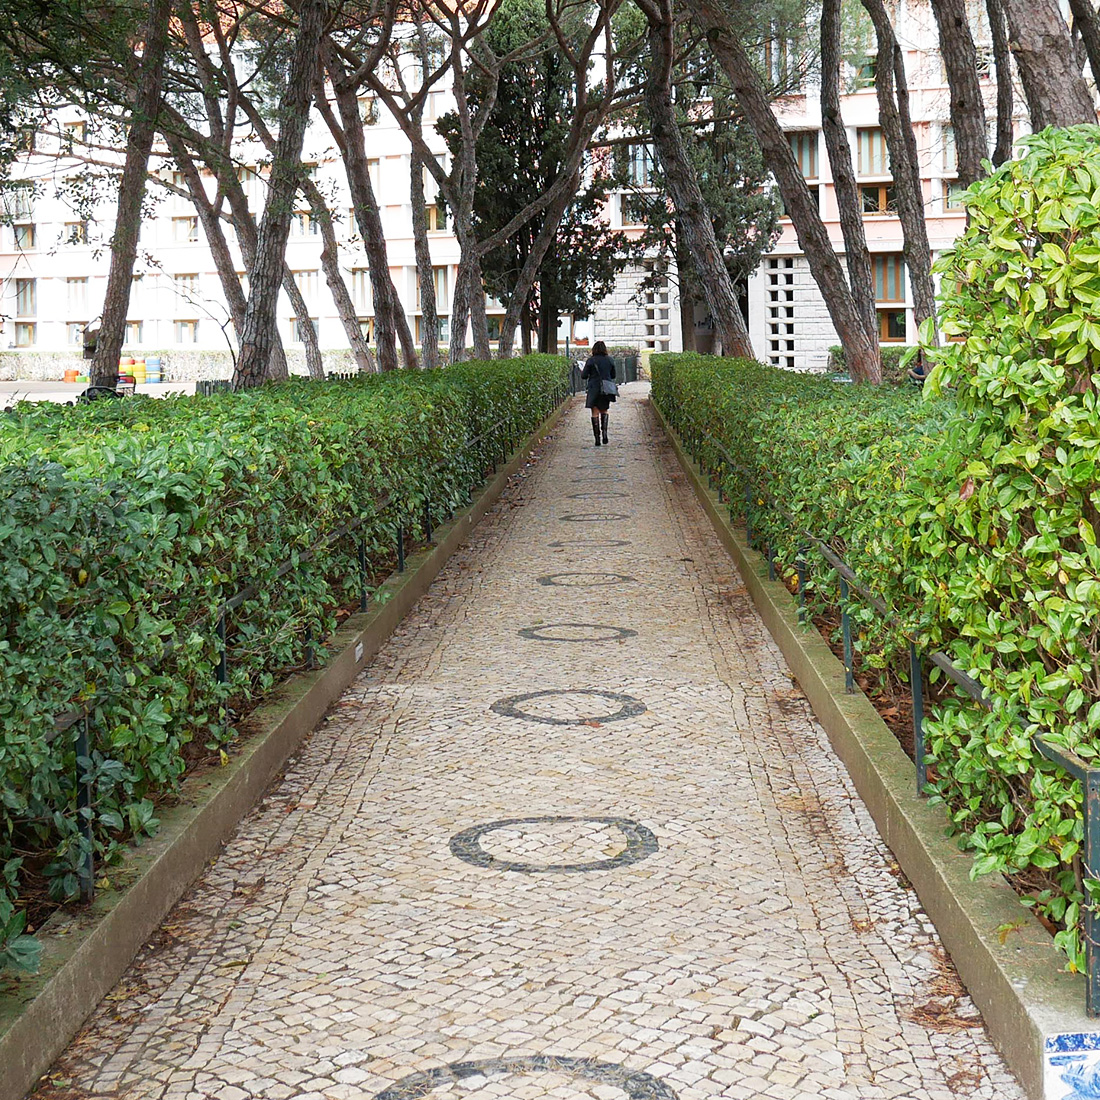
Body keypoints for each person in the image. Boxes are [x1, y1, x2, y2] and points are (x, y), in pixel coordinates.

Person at [581, 340, 617, 446]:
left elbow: (584, 376)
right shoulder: (610, 360)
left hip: (594, 389)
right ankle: (605, 434)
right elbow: (613, 375)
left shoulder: (591, 361)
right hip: (606, 389)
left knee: (595, 412)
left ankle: (597, 438)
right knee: (604, 410)